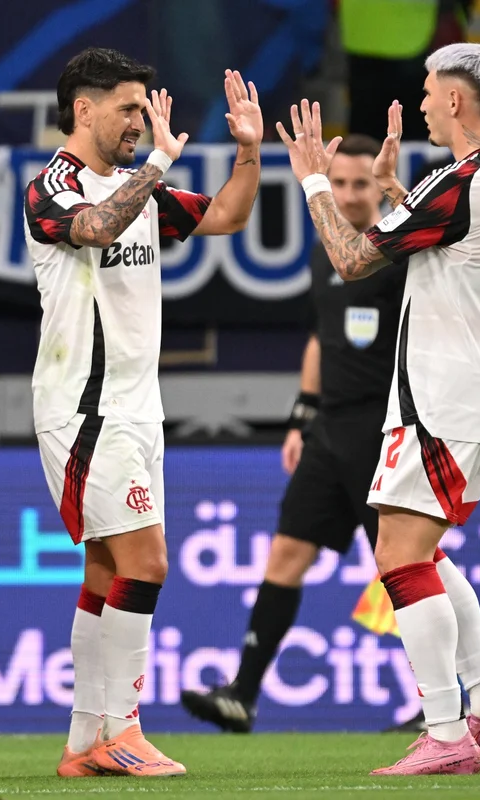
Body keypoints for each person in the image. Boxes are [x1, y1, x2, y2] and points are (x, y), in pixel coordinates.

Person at [276, 42, 480, 775]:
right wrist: (399, 193)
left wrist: (314, 180)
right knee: (420, 551)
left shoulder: (461, 182)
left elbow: (351, 259)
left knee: (397, 556)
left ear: (457, 100)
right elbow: (456, 249)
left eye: (429, 90)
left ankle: (447, 731)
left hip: (445, 401)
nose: (422, 102)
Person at [24, 47, 261, 777]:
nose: (140, 120)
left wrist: (248, 153)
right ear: (83, 109)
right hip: (85, 408)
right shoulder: (51, 187)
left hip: (135, 406)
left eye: (144, 108)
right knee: (147, 561)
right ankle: (123, 729)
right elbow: (95, 227)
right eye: (127, 108)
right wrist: (158, 161)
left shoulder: (139, 187)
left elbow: (226, 215)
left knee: (105, 571)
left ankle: (82, 744)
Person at [180, 133, 407, 732]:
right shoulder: (324, 254)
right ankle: (243, 694)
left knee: (403, 565)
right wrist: (302, 416)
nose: (349, 195)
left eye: (361, 184)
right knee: (285, 553)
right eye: (340, 183)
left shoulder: (400, 254)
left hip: (383, 427)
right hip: (329, 428)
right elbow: (320, 337)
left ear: (379, 186)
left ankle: (441, 700)